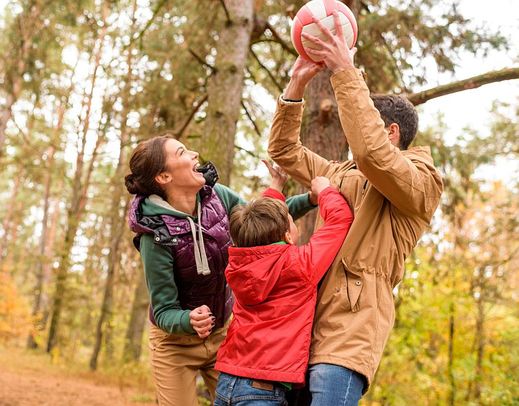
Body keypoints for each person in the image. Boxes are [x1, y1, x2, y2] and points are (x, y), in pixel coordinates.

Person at [267, 11, 444, 406]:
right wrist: (295, 87)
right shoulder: (340, 171)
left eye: (363, 119)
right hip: (302, 324)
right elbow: (283, 151)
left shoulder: (422, 180)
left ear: (391, 132)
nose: (351, 131)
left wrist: (346, 71)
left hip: (351, 329)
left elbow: (372, 155)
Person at [125, 134, 317, 406]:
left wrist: (310, 198)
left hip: (224, 336)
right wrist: (186, 319)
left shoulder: (218, 197)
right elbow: (164, 309)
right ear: (164, 177)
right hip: (175, 346)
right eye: (182, 153)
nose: (194, 154)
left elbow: (261, 223)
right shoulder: (154, 236)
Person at [213, 174, 353, 406]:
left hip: (227, 382)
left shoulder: (239, 265)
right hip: (263, 389)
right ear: (288, 235)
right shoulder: (300, 265)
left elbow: (255, 224)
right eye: (290, 218)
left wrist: (275, 189)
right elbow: (340, 220)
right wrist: (325, 190)